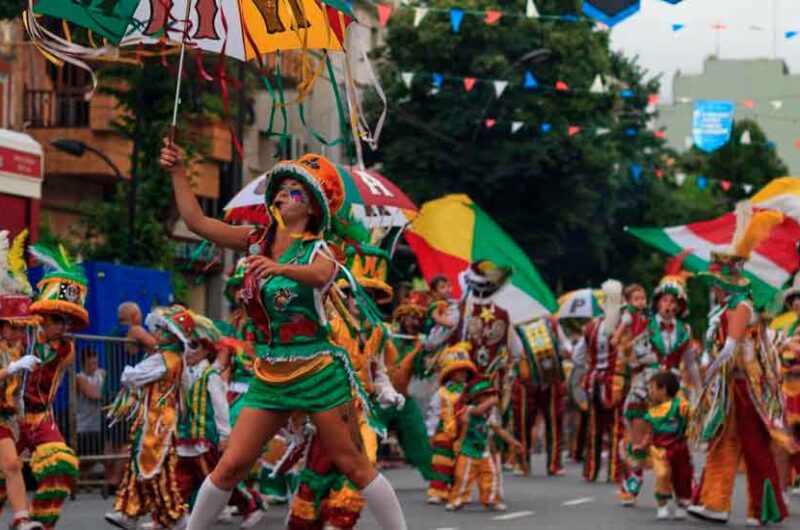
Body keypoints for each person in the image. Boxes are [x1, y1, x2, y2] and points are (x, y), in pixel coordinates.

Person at [161, 142, 407, 530]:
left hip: (317, 371)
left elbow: (321, 275)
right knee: (231, 466)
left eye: (294, 191)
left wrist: (277, 268)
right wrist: (178, 172)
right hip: (270, 373)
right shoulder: (255, 239)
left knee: (353, 464)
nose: (281, 195)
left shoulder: (321, 249)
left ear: (312, 207)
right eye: (280, 189)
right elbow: (197, 222)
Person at [689, 202, 790, 525]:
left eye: (717, 281)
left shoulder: (741, 305)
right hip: (729, 387)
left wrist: (708, 367)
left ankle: (764, 509)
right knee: (722, 443)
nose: (714, 287)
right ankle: (714, 503)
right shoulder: (727, 306)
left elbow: (730, 348)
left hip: (742, 387)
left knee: (754, 447)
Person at [105, 306, 218, 530]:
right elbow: (184, 387)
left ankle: (175, 517)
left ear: (169, 334)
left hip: (156, 423)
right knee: (139, 465)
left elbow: (131, 376)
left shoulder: (164, 359)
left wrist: (129, 372)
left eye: (159, 330)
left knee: (156, 469)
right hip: (158, 420)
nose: (154, 334)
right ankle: (129, 512)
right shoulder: (176, 359)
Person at [21, 242, 86, 530]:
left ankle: (41, 523)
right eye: (58, 318)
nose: (63, 326)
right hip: (9, 415)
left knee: (61, 465)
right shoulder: (21, 335)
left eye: (68, 320)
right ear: (44, 314)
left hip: (39, 417)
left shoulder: (65, 349)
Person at [0, 229, 44, 530]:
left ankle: (21, 518)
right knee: (10, 465)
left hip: (3, 417)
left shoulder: (14, 349)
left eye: (21, 328)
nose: (18, 334)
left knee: (12, 465)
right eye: (13, 328)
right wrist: (12, 369)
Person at [572, 279, 627, 483]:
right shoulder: (624, 326)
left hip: (594, 381)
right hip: (616, 383)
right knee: (616, 428)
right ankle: (614, 472)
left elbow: (578, 357)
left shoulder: (590, 327)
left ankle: (591, 470)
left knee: (595, 427)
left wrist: (589, 367)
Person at [446, 376, 523, 512]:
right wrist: (491, 402)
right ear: (476, 398)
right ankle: (457, 500)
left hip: (484, 452)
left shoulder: (489, 416)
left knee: (491, 476)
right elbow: (477, 411)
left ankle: (491, 499)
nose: (490, 398)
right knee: (463, 477)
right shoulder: (469, 410)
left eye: (491, 395)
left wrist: (514, 442)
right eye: (486, 396)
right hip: (468, 451)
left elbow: (499, 430)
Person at [383, 291, 438, 481]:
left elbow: (424, 369)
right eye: (408, 317)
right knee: (366, 440)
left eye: (416, 318)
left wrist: (423, 349)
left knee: (418, 437)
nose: (412, 322)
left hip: (403, 399)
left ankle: (436, 480)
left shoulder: (420, 344)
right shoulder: (388, 336)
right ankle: (349, 481)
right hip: (380, 398)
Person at [510, 316, 570, 476]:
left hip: (551, 379)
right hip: (526, 380)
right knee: (522, 422)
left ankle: (554, 463)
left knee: (555, 420)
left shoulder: (552, 323)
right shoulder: (516, 325)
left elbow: (566, 346)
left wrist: (564, 352)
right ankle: (522, 462)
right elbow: (512, 351)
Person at [425, 343, 476, 504]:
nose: (462, 374)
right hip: (444, 434)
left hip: (465, 433)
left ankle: (458, 491)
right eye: (458, 370)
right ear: (450, 372)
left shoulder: (470, 392)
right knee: (442, 462)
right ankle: (438, 491)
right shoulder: (441, 393)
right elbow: (433, 414)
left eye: (464, 370)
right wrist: (431, 433)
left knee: (462, 465)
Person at [638, 371, 692, 520]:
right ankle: (662, 505)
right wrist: (641, 446)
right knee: (662, 475)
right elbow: (649, 434)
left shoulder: (680, 405)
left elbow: (692, 420)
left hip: (680, 448)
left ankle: (682, 504)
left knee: (683, 477)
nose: (649, 392)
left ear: (664, 390)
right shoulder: (651, 413)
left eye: (652, 388)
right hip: (659, 450)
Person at [76, 348, 105, 474]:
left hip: (98, 423)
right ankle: (80, 479)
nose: (93, 367)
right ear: (83, 364)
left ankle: (87, 479)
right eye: (90, 364)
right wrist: (108, 395)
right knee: (84, 456)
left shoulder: (102, 373)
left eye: (95, 363)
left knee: (96, 454)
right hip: (83, 424)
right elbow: (91, 394)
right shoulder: (79, 377)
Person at [423, 276, 459, 353]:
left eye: (448, 286)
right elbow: (440, 320)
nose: (447, 290)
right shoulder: (434, 306)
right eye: (442, 287)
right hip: (434, 343)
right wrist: (451, 324)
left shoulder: (452, 303)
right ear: (434, 292)